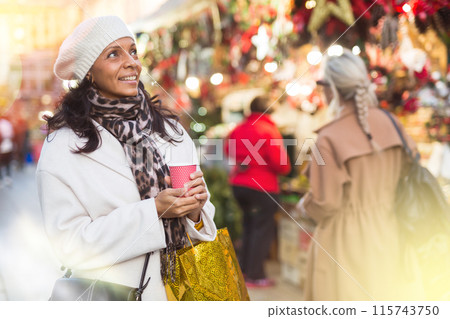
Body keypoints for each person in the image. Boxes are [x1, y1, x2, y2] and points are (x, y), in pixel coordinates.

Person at [36, 16, 217, 301]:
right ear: (88, 72)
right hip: (113, 297)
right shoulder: (64, 145)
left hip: (183, 293)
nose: (132, 62)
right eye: (113, 54)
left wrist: (196, 210)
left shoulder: (171, 131)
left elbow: (196, 226)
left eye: (132, 51)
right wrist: (153, 212)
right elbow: (68, 246)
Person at [297, 48, 424, 300]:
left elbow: (326, 203)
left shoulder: (329, 137)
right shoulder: (391, 122)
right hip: (392, 233)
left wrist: (304, 206)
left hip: (344, 244)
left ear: (331, 89)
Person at [225, 96, 291, 287]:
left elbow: (228, 149)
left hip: (239, 184)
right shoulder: (268, 129)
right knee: (262, 230)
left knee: (248, 226)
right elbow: (282, 164)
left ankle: (245, 271)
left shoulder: (238, 128)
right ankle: (256, 275)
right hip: (263, 187)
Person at [0, 116, 14, 188]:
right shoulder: (8, 123)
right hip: (8, 145)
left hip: (2, 146)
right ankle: (8, 178)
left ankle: (1, 179)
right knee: (7, 163)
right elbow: (12, 134)